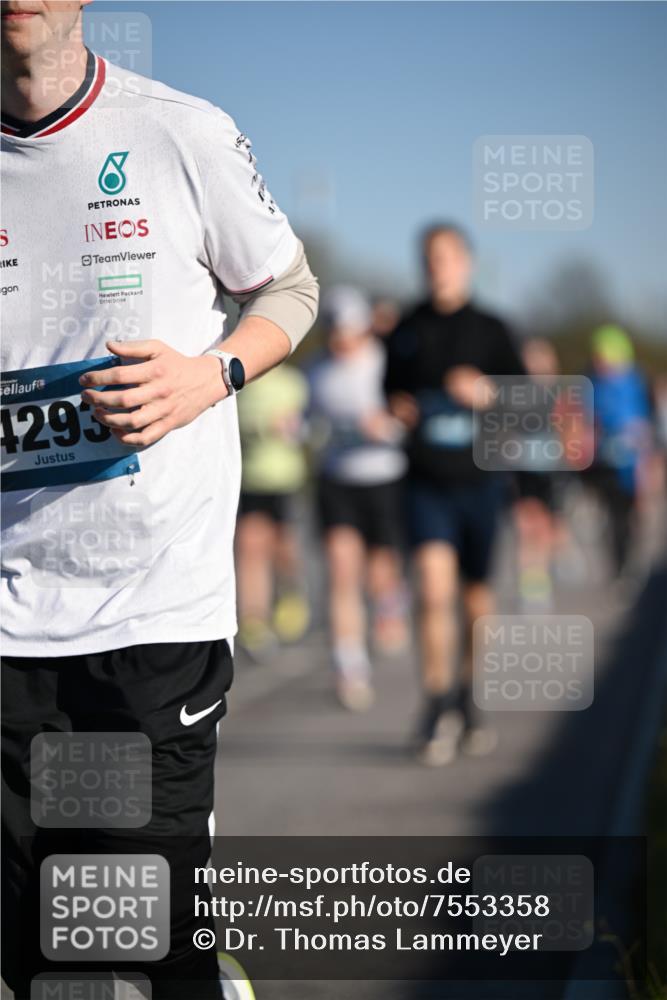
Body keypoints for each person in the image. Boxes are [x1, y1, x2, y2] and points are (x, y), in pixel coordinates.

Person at [0, 4, 318, 998]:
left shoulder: (178, 132)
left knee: (139, 942)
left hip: (152, 610)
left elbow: (291, 289)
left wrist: (210, 374)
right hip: (9, 615)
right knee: (38, 956)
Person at [385, 223, 524, 765]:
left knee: (475, 601)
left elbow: (528, 405)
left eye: (445, 256)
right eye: (428, 257)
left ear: (467, 262)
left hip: (481, 482)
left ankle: (468, 697)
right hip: (425, 482)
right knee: (431, 588)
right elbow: (390, 391)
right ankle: (436, 702)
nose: (436, 266)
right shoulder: (407, 325)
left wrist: (487, 392)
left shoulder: (493, 329)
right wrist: (397, 407)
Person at [308, 286, 408, 711]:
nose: (341, 340)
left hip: (383, 477)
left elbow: (407, 419)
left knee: (379, 570)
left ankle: (390, 602)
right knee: (341, 567)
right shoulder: (317, 370)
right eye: (334, 332)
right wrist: (294, 426)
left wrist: (386, 427)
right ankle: (349, 665)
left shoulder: (385, 363)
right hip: (338, 481)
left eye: (348, 331)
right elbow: (308, 420)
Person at [235, 363, 310, 656]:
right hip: (252, 479)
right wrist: (264, 426)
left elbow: (310, 426)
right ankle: (253, 618)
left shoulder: (294, 382)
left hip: (285, 480)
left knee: (284, 548)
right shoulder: (244, 379)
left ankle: (290, 594)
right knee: (251, 549)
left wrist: (296, 429)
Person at [583, 325, 653, 576]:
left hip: (633, 463)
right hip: (602, 462)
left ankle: (628, 562)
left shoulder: (638, 382)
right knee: (611, 514)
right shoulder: (589, 382)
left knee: (629, 516)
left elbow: (650, 422)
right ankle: (617, 564)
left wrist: (647, 454)